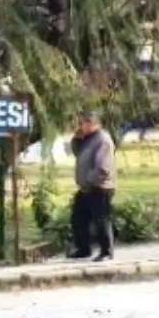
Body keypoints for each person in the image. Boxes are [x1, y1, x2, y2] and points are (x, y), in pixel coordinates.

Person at [68, 109, 116, 261]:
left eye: (82, 123)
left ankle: (106, 251)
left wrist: (89, 180)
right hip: (86, 188)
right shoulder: (87, 138)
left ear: (91, 123)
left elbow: (103, 168)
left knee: (101, 219)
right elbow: (77, 152)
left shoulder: (102, 139)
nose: (80, 126)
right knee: (78, 218)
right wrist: (76, 139)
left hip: (100, 187)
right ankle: (83, 248)